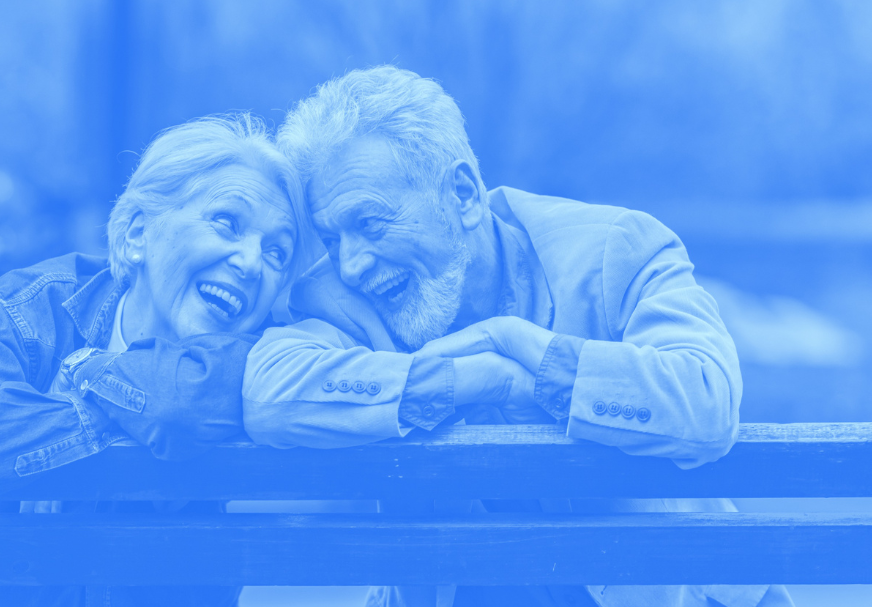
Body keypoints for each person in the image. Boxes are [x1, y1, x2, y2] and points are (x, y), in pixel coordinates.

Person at [242, 66, 794, 607]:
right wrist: (475, 380)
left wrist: (530, 357)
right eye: (331, 238)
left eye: (370, 223)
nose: (353, 265)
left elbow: (706, 397)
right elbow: (269, 394)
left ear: (461, 194)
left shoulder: (615, 250)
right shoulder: (338, 298)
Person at [0, 113, 313, 607]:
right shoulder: (23, 312)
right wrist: (123, 409)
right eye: (226, 222)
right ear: (138, 233)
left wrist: (89, 374)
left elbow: (176, 408)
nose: (250, 262)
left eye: (277, 253)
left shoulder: (266, 356)